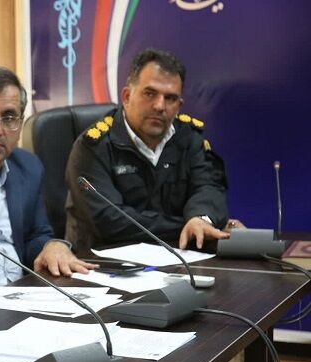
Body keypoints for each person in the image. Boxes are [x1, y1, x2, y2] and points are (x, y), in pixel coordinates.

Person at [0, 66, 96, 284]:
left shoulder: (29, 167)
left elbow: (36, 235)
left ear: (20, 123)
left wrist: (52, 246)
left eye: (9, 117)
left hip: (21, 289)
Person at [65, 48, 230, 253]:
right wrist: (186, 226)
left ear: (179, 105)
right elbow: (109, 221)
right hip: (102, 262)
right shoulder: (93, 146)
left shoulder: (189, 138)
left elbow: (209, 188)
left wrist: (200, 219)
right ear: (127, 96)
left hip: (178, 259)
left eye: (170, 98)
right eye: (150, 94)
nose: (160, 106)